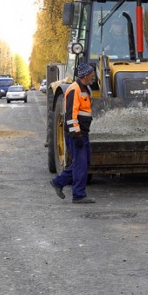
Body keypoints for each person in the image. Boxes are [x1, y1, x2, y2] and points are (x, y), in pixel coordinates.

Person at [50, 63, 97, 203]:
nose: (93, 76)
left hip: (82, 132)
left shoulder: (84, 88)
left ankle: (58, 182)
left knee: (84, 162)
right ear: (85, 75)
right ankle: (78, 195)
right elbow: (71, 115)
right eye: (92, 74)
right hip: (76, 134)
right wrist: (76, 134)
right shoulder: (74, 90)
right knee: (80, 164)